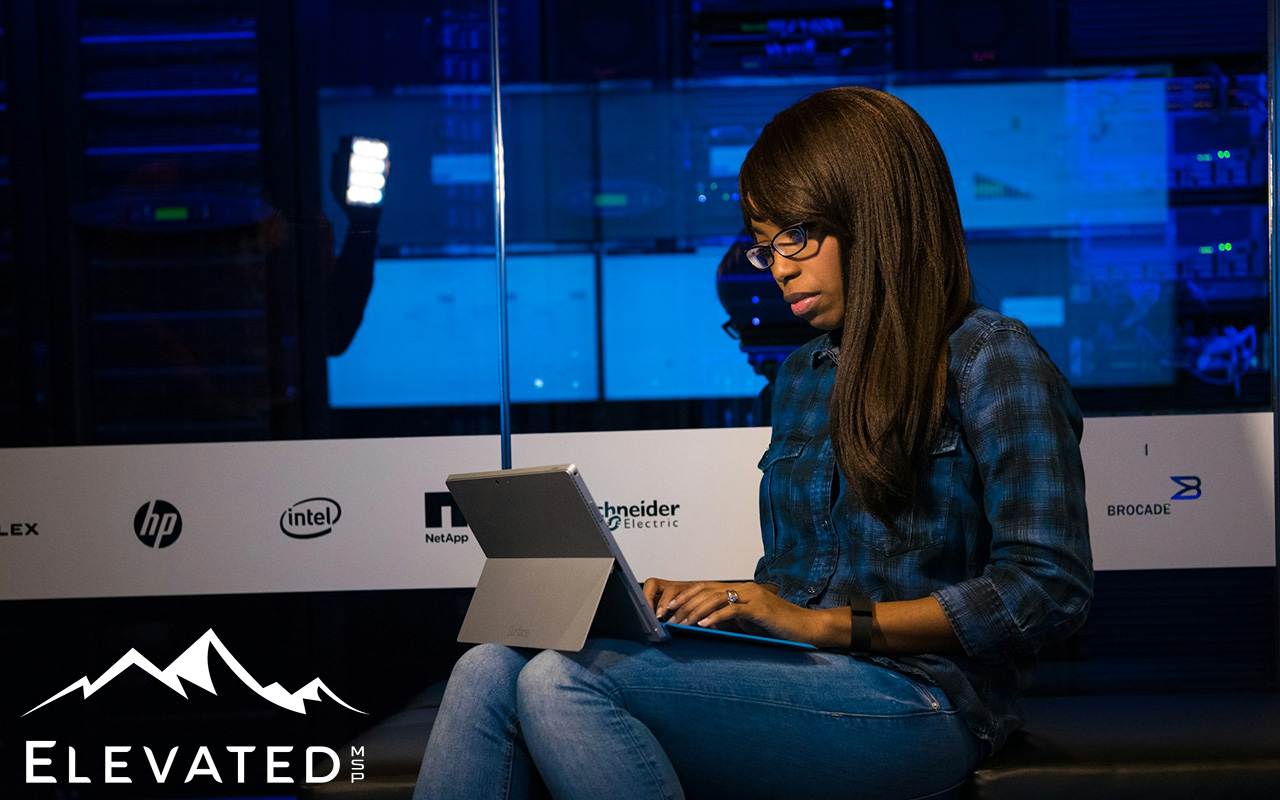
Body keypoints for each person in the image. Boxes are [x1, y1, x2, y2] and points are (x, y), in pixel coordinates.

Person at [413, 86, 1092, 800]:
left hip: (924, 699)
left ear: (875, 215)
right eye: (765, 248)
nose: (778, 268)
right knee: (490, 666)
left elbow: (1046, 590)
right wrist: (731, 599)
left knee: (565, 682)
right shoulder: (802, 376)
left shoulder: (993, 358)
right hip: (802, 670)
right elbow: (803, 583)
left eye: (795, 237)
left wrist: (821, 626)